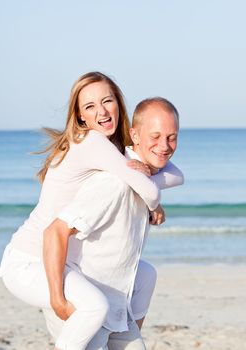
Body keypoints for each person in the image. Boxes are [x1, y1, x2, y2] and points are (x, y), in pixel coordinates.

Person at [0, 72, 184, 350]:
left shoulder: (112, 150)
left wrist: (147, 188)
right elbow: (146, 188)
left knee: (144, 275)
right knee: (94, 308)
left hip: (66, 258)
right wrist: (153, 203)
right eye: (89, 106)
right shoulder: (92, 143)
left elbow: (174, 175)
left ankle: (123, 332)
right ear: (80, 116)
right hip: (35, 257)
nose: (101, 111)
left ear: (119, 104)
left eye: (107, 101)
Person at [42, 97, 180, 350]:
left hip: (117, 309)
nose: (165, 146)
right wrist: (58, 300)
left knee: (147, 273)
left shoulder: (145, 181)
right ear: (134, 135)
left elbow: (173, 176)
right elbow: (55, 231)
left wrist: (154, 205)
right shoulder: (114, 183)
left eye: (172, 137)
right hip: (86, 307)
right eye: (156, 136)